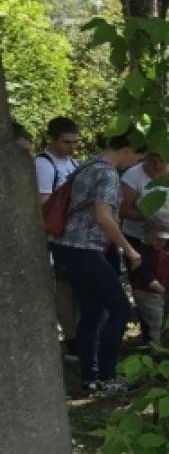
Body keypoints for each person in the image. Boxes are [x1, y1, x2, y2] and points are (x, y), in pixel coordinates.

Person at [47, 133, 143, 393]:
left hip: (66, 246)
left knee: (93, 310)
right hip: (85, 248)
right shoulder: (108, 174)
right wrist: (129, 249)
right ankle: (107, 376)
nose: (135, 163)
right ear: (126, 149)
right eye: (137, 157)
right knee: (120, 309)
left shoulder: (87, 165)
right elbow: (103, 215)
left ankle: (91, 376)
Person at [36, 116, 83, 357]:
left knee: (75, 288)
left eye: (75, 142)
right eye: (67, 142)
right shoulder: (44, 165)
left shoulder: (73, 163)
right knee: (63, 289)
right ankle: (72, 339)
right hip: (57, 237)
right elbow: (44, 205)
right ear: (52, 140)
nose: (72, 147)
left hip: (74, 236)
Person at [119, 152, 169, 253]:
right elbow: (121, 211)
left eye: (162, 161)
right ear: (145, 157)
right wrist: (149, 217)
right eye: (152, 161)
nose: (157, 166)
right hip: (137, 239)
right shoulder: (132, 176)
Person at [130, 215, 169, 344]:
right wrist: (164, 291)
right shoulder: (143, 253)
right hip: (147, 293)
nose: (161, 243)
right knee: (157, 323)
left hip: (159, 292)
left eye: (164, 240)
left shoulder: (162, 250)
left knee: (164, 320)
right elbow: (147, 277)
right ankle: (157, 350)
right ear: (148, 236)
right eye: (158, 239)